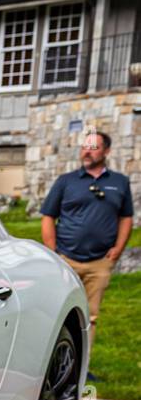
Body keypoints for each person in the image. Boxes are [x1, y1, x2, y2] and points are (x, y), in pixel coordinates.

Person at [41, 130, 134, 366]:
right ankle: (53, 364)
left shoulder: (119, 182)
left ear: (106, 151)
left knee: (90, 317)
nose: (87, 151)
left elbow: (126, 217)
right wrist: (53, 252)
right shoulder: (66, 181)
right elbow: (48, 216)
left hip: (100, 262)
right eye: (84, 146)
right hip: (66, 260)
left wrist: (118, 249)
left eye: (93, 147)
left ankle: (81, 367)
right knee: (59, 312)